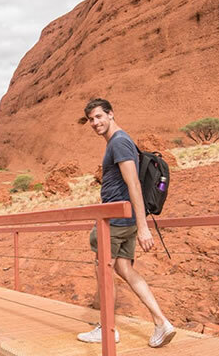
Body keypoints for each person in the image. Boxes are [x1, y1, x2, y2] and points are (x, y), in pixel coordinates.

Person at [76, 98, 175, 347]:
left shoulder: (119, 142)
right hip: (124, 218)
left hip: (117, 220)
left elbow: (134, 185)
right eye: (91, 119)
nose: (95, 122)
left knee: (104, 269)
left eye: (99, 116)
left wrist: (143, 227)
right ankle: (161, 322)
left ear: (111, 114)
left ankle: (108, 329)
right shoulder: (119, 141)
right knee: (124, 269)